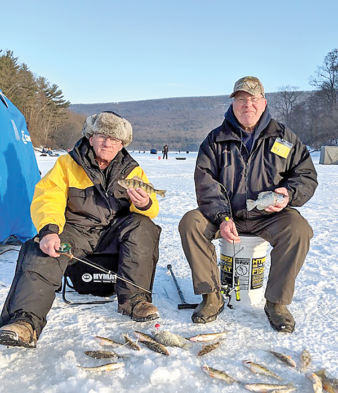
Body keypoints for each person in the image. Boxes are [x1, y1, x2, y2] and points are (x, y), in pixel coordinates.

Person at [0, 111, 161, 348]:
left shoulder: (132, 170)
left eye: (114, 139)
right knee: (38, 247)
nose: (108, 142)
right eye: (102, 136)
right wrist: (49, 230)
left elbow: (153, 206)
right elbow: (49, 198)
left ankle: (136, 300)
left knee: (144, 226)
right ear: (90, 137)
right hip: (75, 232)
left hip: (113, 234)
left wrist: (145, 203)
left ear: (122, 144)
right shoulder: (67, 164)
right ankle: (25, 322)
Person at [179, 76, 318, 333]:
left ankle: (276, 302)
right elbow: (205, 182)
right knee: (190, 222)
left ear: (264, 103)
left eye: (253, 100)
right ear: (233, 104)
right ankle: (211, 296)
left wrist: (288, 194)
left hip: (268, 214)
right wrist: (222, 217)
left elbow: (306, 175)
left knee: (298, 229)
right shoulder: (215, 139)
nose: (247, 105)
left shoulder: (284, 138)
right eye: (241, 99)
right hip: (225, 213)